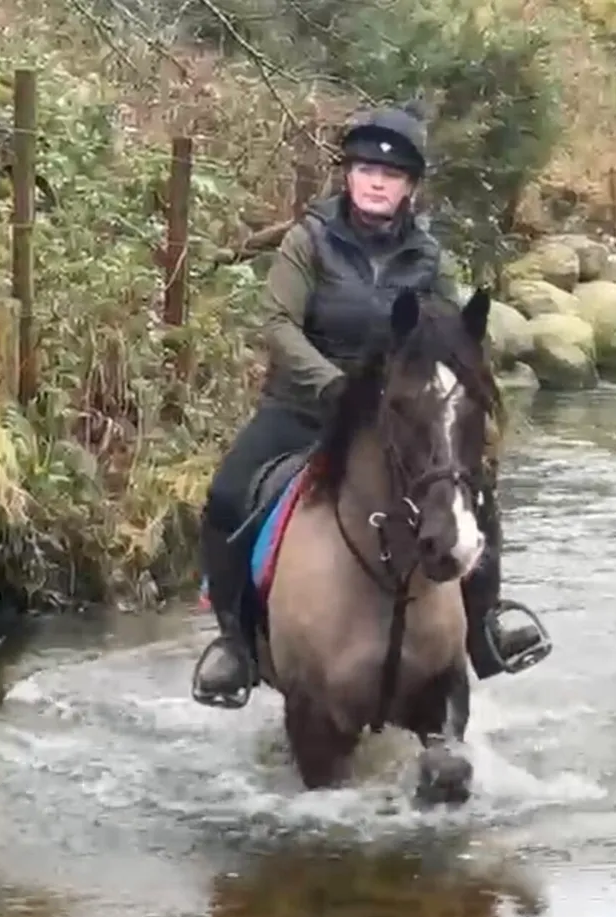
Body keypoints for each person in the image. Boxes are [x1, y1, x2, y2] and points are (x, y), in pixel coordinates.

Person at [192, 102, 553, 706]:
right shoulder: (309, 241)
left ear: (409, 186)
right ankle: (234, 643)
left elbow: (452, 336)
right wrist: (335, 385)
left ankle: (486, 624)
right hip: (306, 406)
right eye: (365, 170)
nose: (377, 181)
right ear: (348, 177)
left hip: (402, 418)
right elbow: (279, 324)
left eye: (391, 175)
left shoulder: (431, 260)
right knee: (227, 493)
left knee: (476, 489)